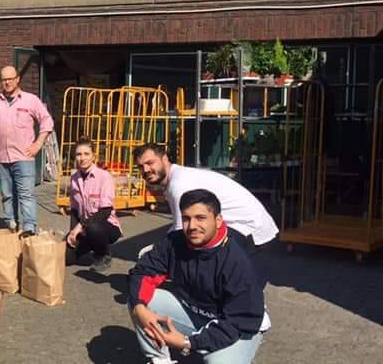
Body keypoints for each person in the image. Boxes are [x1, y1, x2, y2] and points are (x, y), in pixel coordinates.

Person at [128, 189, 268, 364]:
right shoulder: (175, 242)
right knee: (141, 299)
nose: (192, 225)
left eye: (200, 218)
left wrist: (188, 343)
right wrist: (139, 308)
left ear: (218, 220)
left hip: (239, 326)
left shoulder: (237, 261)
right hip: (197, 313)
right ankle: (159, 359)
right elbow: (143, 272)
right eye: (186, 218)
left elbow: (240, 321)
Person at [132, 143, 279, 262]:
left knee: (193, 249)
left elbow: (180, 232)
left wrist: (154, 252)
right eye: (140, 167)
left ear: (164, 159)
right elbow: (178, 227)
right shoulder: (176, 178)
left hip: (251, 232)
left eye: (150, 163)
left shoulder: (178, 184)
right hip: (249, 229)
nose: (145, 170)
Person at [0, 65, 54, 237]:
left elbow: (47, 121)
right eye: (4, 79)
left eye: (11, 78)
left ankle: (28, 229)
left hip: (24, 156)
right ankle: (10, 225)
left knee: (26, 195)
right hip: (1, 156)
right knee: (7, 194)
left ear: (18, 79)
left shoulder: (30, 100)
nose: (7, 82)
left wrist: (38, 144)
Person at [66, 138, 122, 272]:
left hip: (105, 227)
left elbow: (105, 211)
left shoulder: (104, 177)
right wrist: (72, 233)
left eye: (86, 154)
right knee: (66, 257)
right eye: (79, 154)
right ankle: (90, 245)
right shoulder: (74, 179)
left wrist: (80, 226)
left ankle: (103, 255)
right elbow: (74, 210)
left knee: (93, 228)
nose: (82, 158)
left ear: (93, 156)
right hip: (85, 228)